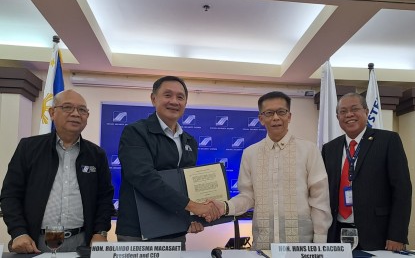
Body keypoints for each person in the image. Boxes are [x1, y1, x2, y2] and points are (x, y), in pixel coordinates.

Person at [211, 91, 332, 250]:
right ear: (261, 119)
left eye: (281, 112)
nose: (276, 118)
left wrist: (319, 246)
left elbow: (319, 200)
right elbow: (248, 196)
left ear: (289, 116)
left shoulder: (309, 150)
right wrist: (224, 207)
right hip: (262, 245)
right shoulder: (250, 153)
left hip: (301, 247)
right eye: (269, 113)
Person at [0, 89, 114, 253]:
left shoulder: (97, 154)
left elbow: (104, 198)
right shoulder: (28, 148)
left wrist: (100, 232)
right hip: (35, 242)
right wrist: (18, 232)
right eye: (68, 107)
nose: (76, 114)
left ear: (87, 117)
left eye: (82, 110)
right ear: (52, 113)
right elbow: (10, 194)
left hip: (82, 241)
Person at [116, 76, 220, 249]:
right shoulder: (135, 132)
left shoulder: (189, 141)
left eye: (180, 97)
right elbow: (143, 177)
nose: (174, 101)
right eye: (167, 95)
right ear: (153, 98)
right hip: (138, 233)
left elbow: (187, 185)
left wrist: (193, 217)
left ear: (186, 103)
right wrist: (193, 206)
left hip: (174, 231)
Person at [321, 92, 412, 251]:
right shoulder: (330, 148)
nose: (349, 114)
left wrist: (397, 235)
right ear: (337, 117)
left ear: (366, 111)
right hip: (337, 232)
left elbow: (402, 190)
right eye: (343, 111)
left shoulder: (388, 141)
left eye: (354, 109)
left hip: (378, 234)